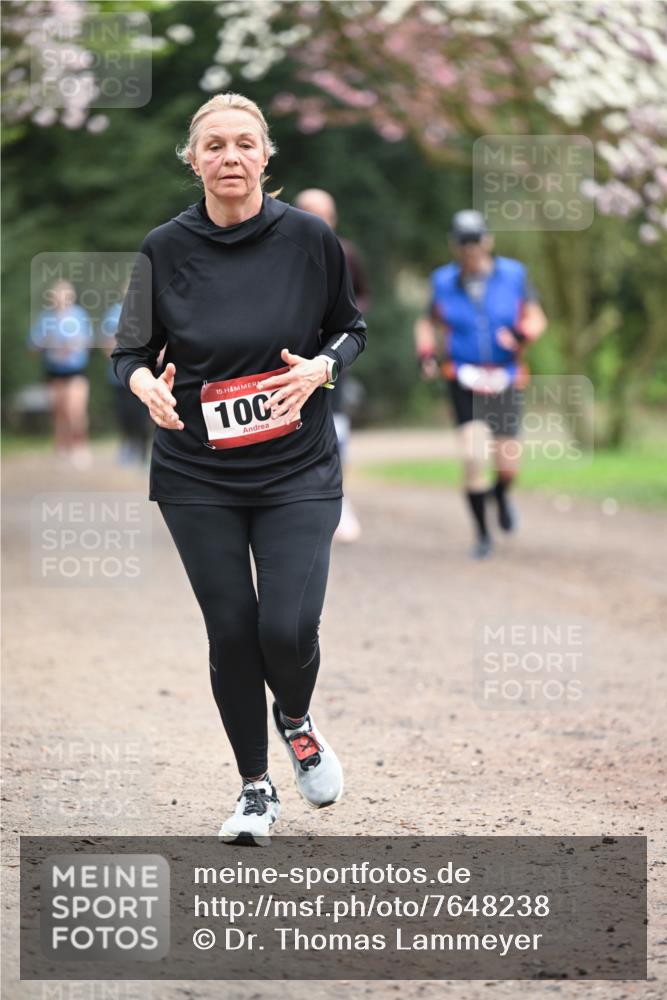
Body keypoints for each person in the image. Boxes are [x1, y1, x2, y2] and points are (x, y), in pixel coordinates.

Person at [111, 93, 367, 845]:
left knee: (285, 627)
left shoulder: (310, 239)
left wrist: (320, 368)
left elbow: (349, 329)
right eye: (214, 145)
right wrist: (142, 384)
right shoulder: (164, 247)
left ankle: (296, 719)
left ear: (266, 155)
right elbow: (128, 351)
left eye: (244, 143)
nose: (229, 157)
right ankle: (255, 789)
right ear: (192, 159)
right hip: (197, 470)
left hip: (297, 466)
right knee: (231, 631)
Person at [415, 210, 547, 558]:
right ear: (454, 245)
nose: (470, 248)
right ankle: (482, 536)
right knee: (474, 456)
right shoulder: (443, 281)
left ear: (487, 240)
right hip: (463, 376)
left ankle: (501, 495)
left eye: (475, 240)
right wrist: (426, 354)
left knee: (508, 464)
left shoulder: (514, 274)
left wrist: (521, 334)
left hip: (504, 376)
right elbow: (426, 323)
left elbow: (536, 317)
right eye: (463, 242)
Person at [294, 189, 370, 543]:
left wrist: (344, 319)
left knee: (337, 433)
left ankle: (339, 500)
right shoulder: (280, 252)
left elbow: (362, 296)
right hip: (285, 361)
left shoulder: (346, 253)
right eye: (311, 212)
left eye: (326, 213)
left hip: (332, 361)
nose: (320, 220)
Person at [28, 278, 94, 468]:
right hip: (53, 371)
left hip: (76, 370)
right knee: (59, 412)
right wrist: (45, 342)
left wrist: (73, 346)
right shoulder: (45, 318)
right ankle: (61, 449)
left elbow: (87, 342)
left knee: (76, 409)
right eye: (57, 294)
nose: (61, 299)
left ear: (71, 297)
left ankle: (80, 446)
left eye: (64, 294)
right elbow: (32, 345)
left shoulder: (79, 316)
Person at [100, 288, 151, 465]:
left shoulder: (150, 312)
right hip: (119, 377)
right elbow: (107, 343)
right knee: (125, 414)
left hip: (146, 375)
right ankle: (128, 445)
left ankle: (143, 450)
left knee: (142, 415)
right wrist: (121, 362)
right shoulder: (113, 315)